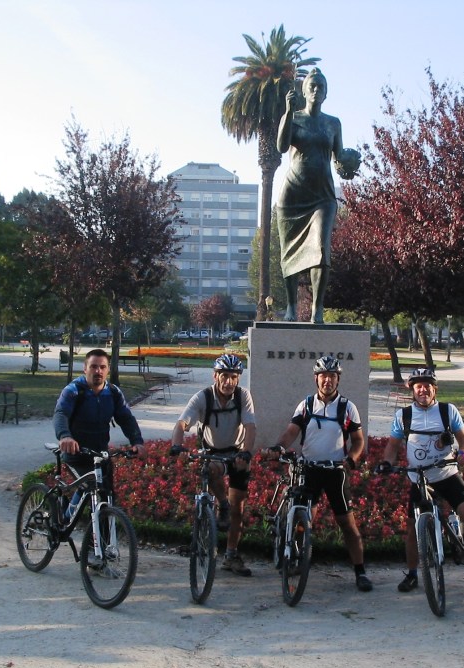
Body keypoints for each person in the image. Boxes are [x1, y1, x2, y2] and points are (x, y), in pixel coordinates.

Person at [379, 368, 464, 593]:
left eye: (427, 385)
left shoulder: (447, 411)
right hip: (419, 478)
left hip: (446, 474)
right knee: (413, 529)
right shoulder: (403, 415)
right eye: (418, 386)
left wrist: (463, 453)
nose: (423, 389)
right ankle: (412, 574)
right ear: (412, 390)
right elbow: (393, 446)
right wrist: (386, 462)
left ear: (435, 388)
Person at [266, 356, 373, 591]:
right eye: (323, 376)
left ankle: (360, 571)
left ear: (338, 379)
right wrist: (280, 447)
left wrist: (352, 459)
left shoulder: (347, 407)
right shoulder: (306, 405)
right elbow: (291, 431)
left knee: (347, 523)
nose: (327, 380)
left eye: (332, 376)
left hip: (335, 471)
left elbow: (358, 441)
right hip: (309, 469)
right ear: (316, 379)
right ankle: (296, 558)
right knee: (305, 518)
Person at [276, 67, 360, 324]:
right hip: (293, 195)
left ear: (326, 93)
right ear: (304, 91)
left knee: (322, 250)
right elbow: (281, 147)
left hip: (323, 195)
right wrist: (288, 112)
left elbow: (338, 159)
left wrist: (349, 162)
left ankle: (317, 309)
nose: (316, 90)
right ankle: (291, 308)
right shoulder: (293, 117)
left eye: (320, 87)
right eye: (312, 86)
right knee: (288, 252)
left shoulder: (333, 123)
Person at [170, 354, 257, 577]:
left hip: (236, 452)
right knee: (211, 469)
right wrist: (177, 446)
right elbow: (181, 423)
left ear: (238, 379)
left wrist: (246, 453)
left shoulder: (243, 396)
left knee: (238, 508)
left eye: (233, 377)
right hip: (212, 452)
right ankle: (222, 505)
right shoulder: (203, 397)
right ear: (215, 376)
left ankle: (231, 554)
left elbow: (250, 426)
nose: (229, 382)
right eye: (225, 376)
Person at [53, 349, 147, 516]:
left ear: (108, 369)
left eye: (103, 367)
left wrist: (137, 441)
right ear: (85, 368)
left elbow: (126, 418)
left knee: (106, 499)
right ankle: (65, 517)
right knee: (89, 486)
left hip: (100, 455)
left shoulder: (113, 393)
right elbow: (61, 414)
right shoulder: (73, 390)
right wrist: (65, 436)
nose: (98, 371)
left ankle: (99, 541)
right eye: (94, 366)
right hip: (77, 455)